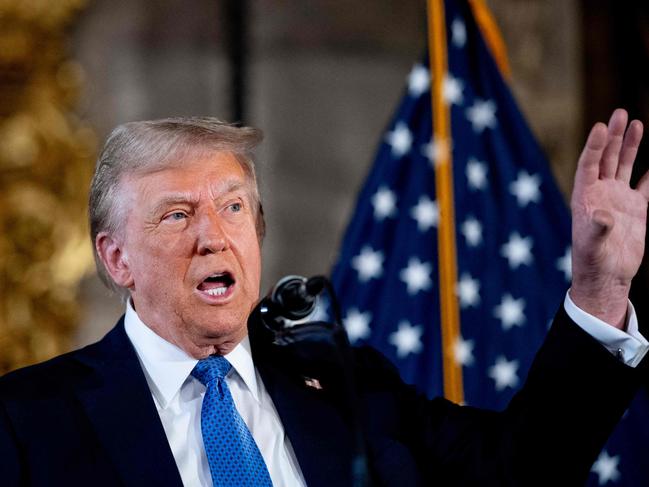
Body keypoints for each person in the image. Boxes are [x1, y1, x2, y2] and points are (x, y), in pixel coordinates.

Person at [0, 109, 647, 487]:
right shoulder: (28, 419)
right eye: (175, 215)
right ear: (115, 257)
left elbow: (520, 470)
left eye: (232, 208)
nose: (212, 237)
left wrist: (600, 285)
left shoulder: (345, 384)